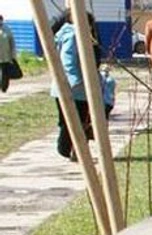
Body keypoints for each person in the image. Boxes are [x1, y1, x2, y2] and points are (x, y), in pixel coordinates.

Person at [50, 10, 101, 161]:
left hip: (67, 87)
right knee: (77, 121)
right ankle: (67, 149)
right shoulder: (74, 36)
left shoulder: (66, 34)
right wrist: (77, 80)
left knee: (72, 121)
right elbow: (69, 61)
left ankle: (76, 151)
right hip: (75, 88)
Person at [0, 15, 17, 93]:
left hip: (5, 56)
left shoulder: (6, 29)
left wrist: (13, 55)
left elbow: (12, 42)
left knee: (4, 73)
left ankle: (4, 87)